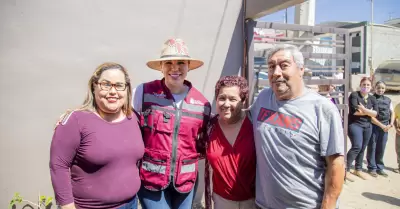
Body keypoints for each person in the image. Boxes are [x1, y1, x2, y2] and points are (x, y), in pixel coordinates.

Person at [250, 45, 345, 209]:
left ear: (301, 69)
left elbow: (336, 164)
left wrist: (328, 205)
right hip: (263, 205)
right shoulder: (263, 98)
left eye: (284, 65)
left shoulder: (322, 108)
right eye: (271, 66)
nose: (276, 72)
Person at [50, 62, 144, 209]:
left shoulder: (134, 119)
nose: (113, 91)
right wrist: (67, 206)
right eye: (106, 84)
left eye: (119, 85)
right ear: (94, 86)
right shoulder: (76, 121)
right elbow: (58, 166)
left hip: (130, 204)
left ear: (127, 90)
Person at [132, 38, 211, 209]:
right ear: (161, 66)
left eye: (181, 62)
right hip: (151, 180)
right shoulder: (143, 92)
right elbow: (123, 120)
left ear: (188, 66)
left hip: (185, 184)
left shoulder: (202, 104)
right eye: (168, 62)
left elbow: (204, 142)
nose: (175, 68)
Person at [204, 75, 256, 209]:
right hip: (221, 201)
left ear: (243, 101)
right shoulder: (209, 127)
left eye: (233, 99)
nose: (226, 104)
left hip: (254, 202)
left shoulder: (254, 124)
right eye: (222, 98)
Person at [346, 77, 378, 180]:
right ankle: (345, 169)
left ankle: (358, 169)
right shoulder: (354, 95)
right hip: (355, 124)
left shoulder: (372, 98)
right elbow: (354, 112)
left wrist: (363, 109)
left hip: (367, 126)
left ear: (371, 87)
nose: (366, 87)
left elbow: (375, 113)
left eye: (368, 85)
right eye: (364, 85)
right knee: (357, 146)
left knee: (363, 148)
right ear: (360, 85)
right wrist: (369, 112)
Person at [366, 81, 395, 177]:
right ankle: (372, 168)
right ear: (374, 88)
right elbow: (370, 115)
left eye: (382, 88)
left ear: (385, 89)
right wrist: (381, 125)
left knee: (381, 147)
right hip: (374, 126)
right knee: (372, 147)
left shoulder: (388, 99)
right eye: (378, 88)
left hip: (386, 127)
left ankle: (380, 167)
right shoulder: (371, 99)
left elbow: (392, 112)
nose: (380, 90)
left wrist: (390, 124)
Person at [394, 102, 400, 173]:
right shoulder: (398, 106)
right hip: (399, 130)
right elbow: (394, 117)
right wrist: (396, 128)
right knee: (398, 149)